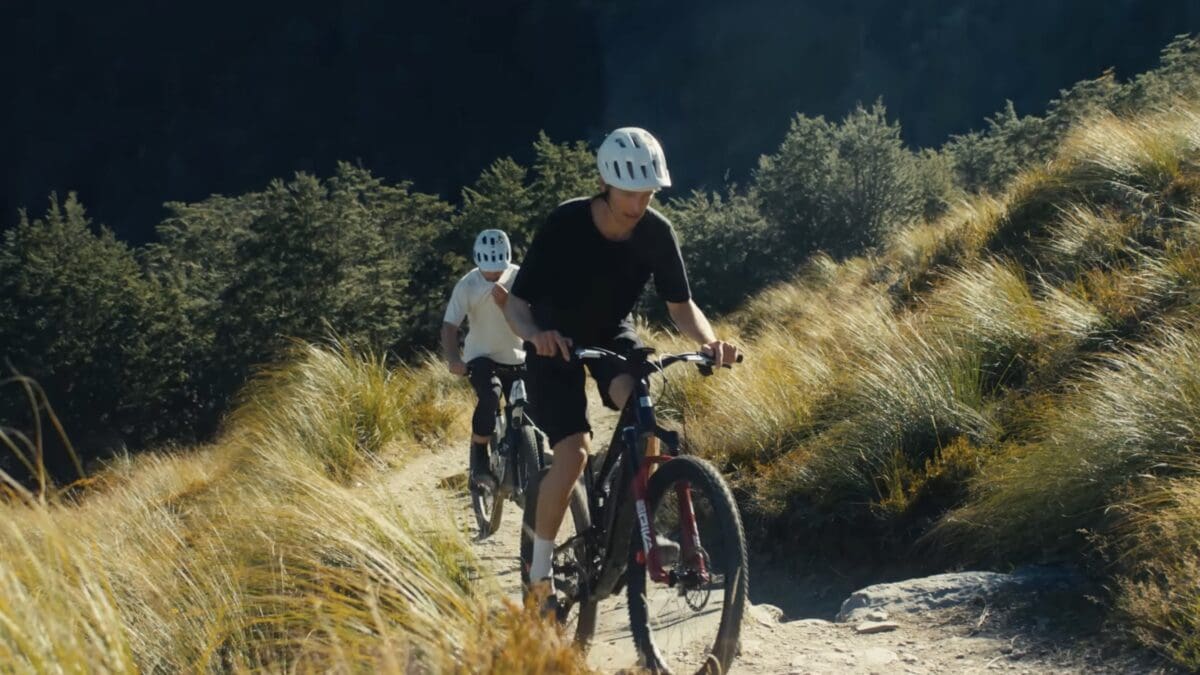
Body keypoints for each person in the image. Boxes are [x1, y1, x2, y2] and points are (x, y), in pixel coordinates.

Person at [504, 127, 739, 611]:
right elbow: (517, 304)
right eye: (630, 193)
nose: (639, 203)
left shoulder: (656, 232)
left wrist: (709, 341)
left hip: (612, 332)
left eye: (648, 192)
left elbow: (681, 305)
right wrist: (536, 336)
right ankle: (539, 574)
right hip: (554, 341)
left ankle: (637, 513)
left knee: (642, 405)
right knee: (574, 455)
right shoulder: (565, 223)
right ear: (604, 184)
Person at [441, 229, 525, 492]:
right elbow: (450, 326)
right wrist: (454, 359)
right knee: (490, 395)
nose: (493, 276)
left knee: (527, 407)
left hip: (518, 356)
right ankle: (479, 459)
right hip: (481, 356)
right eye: (488, 272)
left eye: (498, 271)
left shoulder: (519, 277)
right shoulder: (468, 285)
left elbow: (535, 310)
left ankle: (526, 461)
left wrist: (508, 303)